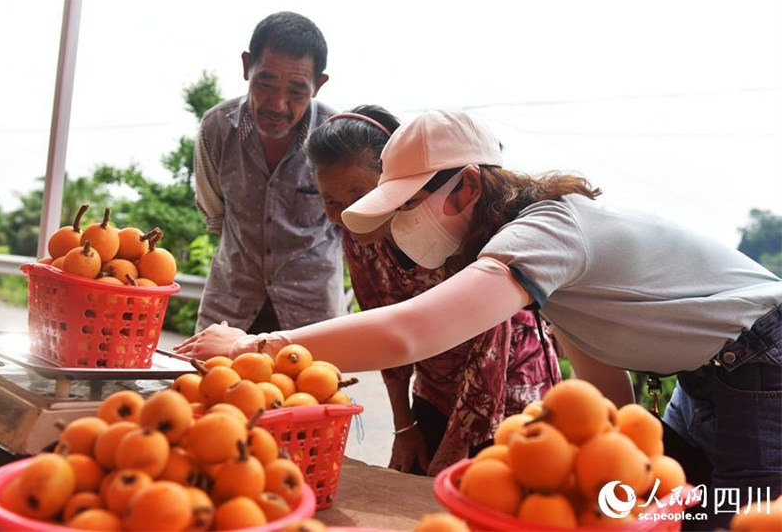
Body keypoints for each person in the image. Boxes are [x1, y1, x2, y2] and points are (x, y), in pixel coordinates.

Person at [177, 109, 781, 529]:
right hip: (718, 378)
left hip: (762, 370)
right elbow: (605, 388)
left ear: (466, 187)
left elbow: (411, 329)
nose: (401, 226)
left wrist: (253, 343)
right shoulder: (550, 267)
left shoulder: (548, 229)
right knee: (666, 512)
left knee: (730, 522)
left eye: (411, 206)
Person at [303, 105, 561, 475]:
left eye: (359, 194)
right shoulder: (357, 231)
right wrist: (404, 425)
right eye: (331, 201)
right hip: (435, 388)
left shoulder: (445, 227)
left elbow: (486, 350)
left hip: (509, 387)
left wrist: (454, 450)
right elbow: (382, 332)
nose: (346, 213)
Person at [193, 11, 344, 334]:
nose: (277, 104)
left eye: (296, 91)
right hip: (228, 310)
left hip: (312, 318)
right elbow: (215, 215)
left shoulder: (338, 140)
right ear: (247, 66)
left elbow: (355, 226)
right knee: (207, 385)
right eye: (266, 83)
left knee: (311, 387)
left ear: (319, 85)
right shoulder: (216, 128)